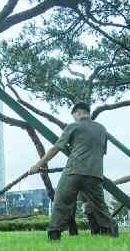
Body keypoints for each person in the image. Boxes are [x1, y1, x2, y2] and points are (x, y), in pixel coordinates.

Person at [29, 102, 116, 241]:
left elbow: (55, 148)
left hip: (74, 171)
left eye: (74, 115)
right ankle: (112, 233)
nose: (74, 118)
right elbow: (102, 151)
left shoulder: (74, 126)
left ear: (78, 112)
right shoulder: (102, 129)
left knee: (61, 201)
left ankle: (54, 235)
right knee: (100, 205)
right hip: (95, 173)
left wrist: (37, 164)